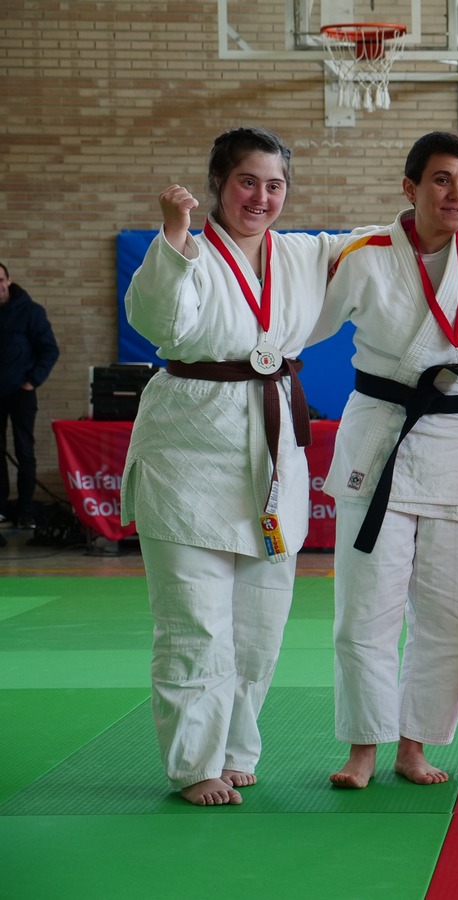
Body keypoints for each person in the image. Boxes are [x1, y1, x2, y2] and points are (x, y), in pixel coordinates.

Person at [122, 126, 350, 806]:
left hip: (271, 450)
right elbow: (161, 324)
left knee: (259, 623)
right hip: (187, 449)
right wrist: (174, 233)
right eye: (247, 181)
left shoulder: (305, 255)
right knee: (194, 621)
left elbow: (391, 246)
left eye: (275, 185)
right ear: (219, 183)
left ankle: (234, 749)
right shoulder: (186, 252)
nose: (261, 197)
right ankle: (195, 763)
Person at [315, 132, 458, 789]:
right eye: (441, 180)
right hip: (381, 435)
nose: (456, 194)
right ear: (409, 188)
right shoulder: (366, 254)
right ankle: (362, 747)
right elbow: (297, 313)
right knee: (366, 608)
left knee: (453, 614)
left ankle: (414, 745)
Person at [0, 261, 59, 530]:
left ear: (8, 280)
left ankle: (26, 511)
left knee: (24, 451)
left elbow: (49, 350)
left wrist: (32, 381)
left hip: (21, 394)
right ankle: (1, 509)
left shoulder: (30, 312)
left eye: (0, 280)